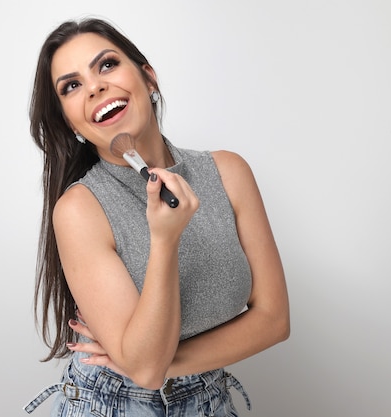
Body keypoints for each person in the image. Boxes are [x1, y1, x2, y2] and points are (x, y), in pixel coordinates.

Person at [24, 17, 290, 417]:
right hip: (112, 405)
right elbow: (146, 369)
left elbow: (273, 319)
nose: (95, 86)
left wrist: (170, 366)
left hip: (209, 398)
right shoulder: (80, 210)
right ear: (69, 121)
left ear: (148, 78)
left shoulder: (229, 173)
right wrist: (164, 241)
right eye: (72, 86)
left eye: (108, 65)